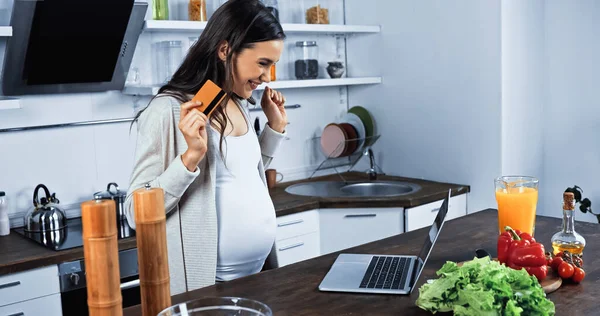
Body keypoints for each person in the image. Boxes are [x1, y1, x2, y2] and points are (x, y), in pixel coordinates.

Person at [125, 0, 288, 295]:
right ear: (225, 50)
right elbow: (135, 213)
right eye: (263, 63)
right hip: (207, 290)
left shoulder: (238, 103)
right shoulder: (170, 110)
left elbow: (243, 178)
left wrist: (274, 130)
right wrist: (189, 158)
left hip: (258, 279)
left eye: (272, 65)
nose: (267, 77)